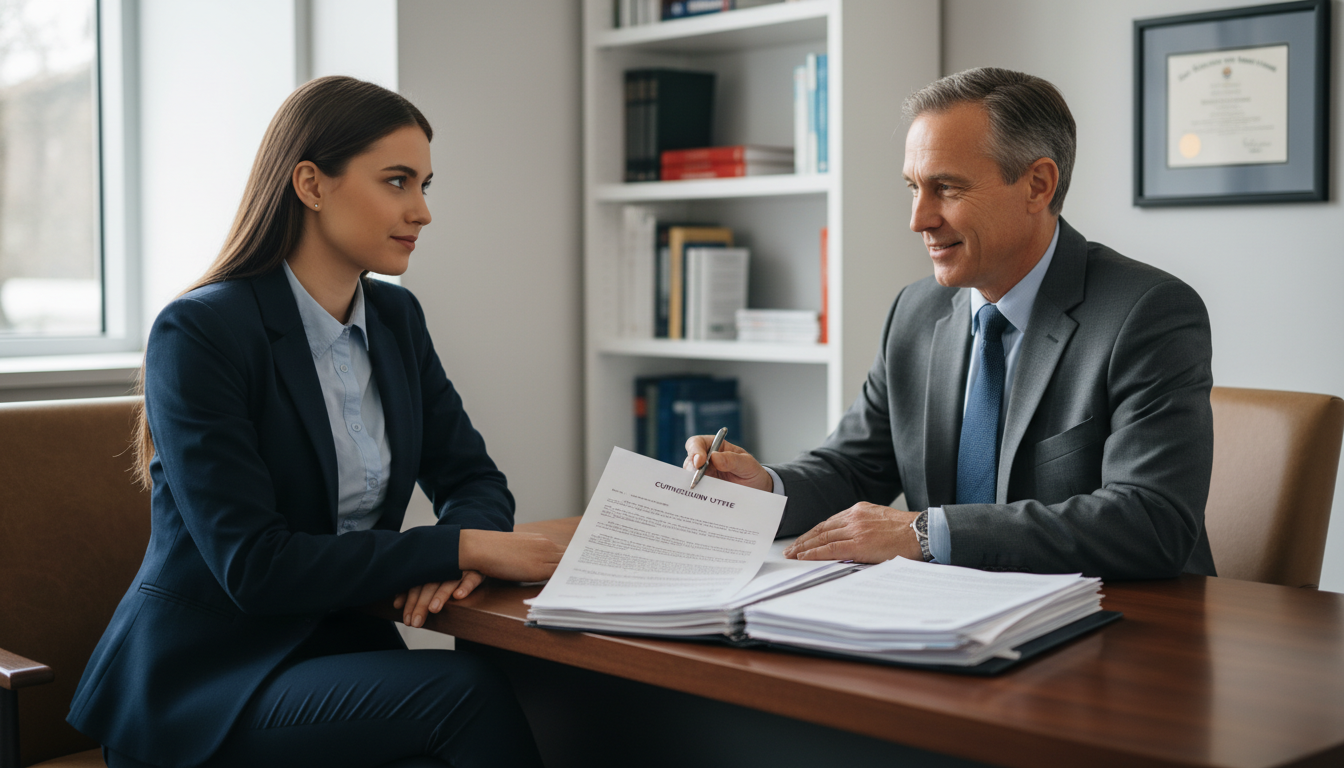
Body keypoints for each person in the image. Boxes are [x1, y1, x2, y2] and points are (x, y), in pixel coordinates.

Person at [68, 76, 561, 768]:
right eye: (397, 181)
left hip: (341, 654)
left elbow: (472, 477)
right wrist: (457, 549)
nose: (422, 212)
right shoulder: (201, 332)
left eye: (425, 185)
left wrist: (459, 550)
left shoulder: (395, 318)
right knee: (464, 695)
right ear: (311, 184)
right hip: (207, 684)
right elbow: (256, 567)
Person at [684, 67, 1216, 580]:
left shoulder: (1147, 313)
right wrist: (766, 488)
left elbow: (1150, 520)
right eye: (913, 187)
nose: (919, 219)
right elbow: (853, 467)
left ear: (1038, 185)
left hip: (1120, 620)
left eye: (947, 188)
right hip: (946, 616)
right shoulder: (915, 312)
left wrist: (923, 532)